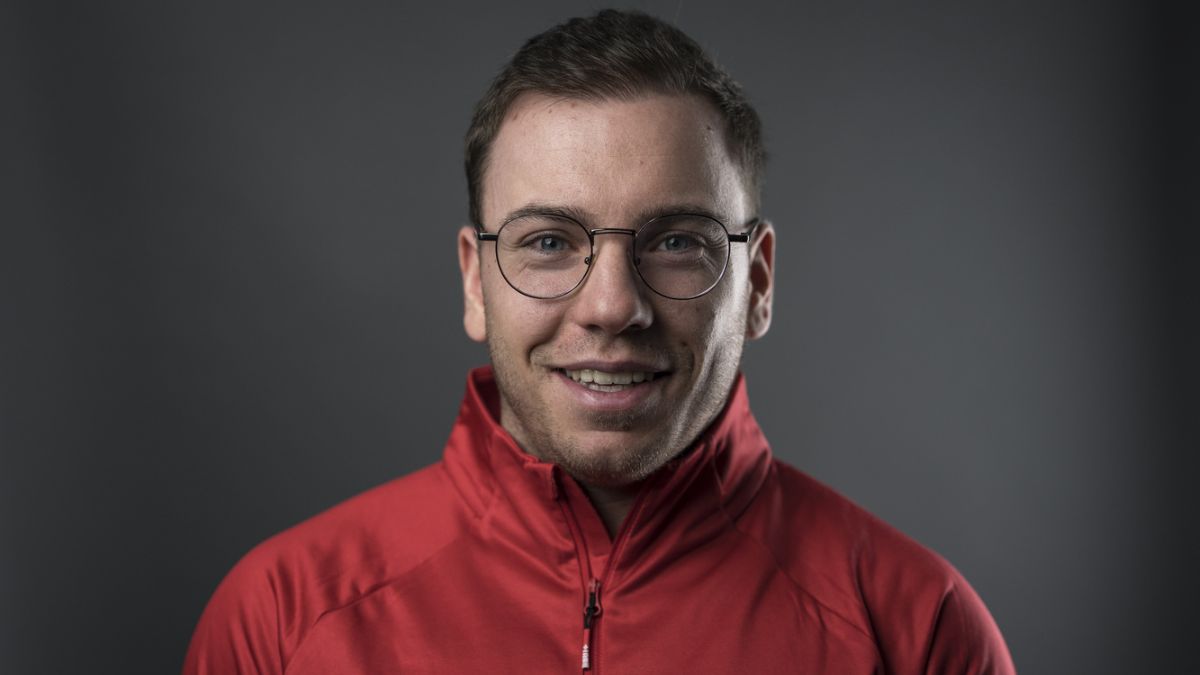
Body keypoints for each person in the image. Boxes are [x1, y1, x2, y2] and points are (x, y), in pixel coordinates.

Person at [184, 10, 1015, 674]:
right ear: (475, 281)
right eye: (549, 242)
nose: (613, 306)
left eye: (677, 241)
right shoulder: (282, 621)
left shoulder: (917, 631)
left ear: (757, 281)